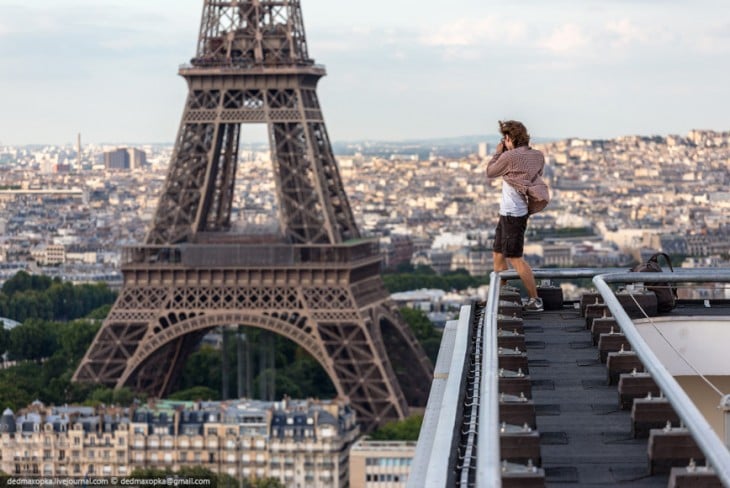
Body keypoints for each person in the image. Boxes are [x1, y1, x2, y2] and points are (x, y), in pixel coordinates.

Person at [486, 120, 549, 312]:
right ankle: (499, 299)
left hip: (512, 213)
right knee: (498, 254)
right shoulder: (538, 156)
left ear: (509, 138)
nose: (504, 142)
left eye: (505, 138)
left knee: (515, 258)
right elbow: (536, 175)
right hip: (514, 211)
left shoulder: (509, 156)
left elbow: (490, 172)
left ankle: (535, 300)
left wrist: (499, 152)